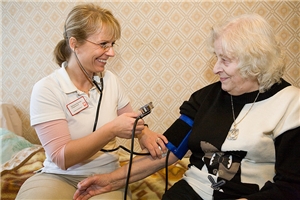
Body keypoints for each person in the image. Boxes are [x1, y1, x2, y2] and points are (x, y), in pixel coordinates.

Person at [73, 13, 300, 200]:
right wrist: (109, 180)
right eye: (216, 58)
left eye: (225, 60)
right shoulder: (205, 98)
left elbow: (291, 187)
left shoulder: (292, 105)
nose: (215, 69)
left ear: (255, 61)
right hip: (194, 190)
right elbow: (167, 152)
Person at [16, 3, 167, 200]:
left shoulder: (110, 80)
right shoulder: (47, 89)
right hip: (58, 176)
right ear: (74, 44)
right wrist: (111, 130)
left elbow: (131, 121)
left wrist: (144, 133)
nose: (111, 52)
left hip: (106, 176)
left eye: (113, 44)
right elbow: (62, 158)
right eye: (103, 44)